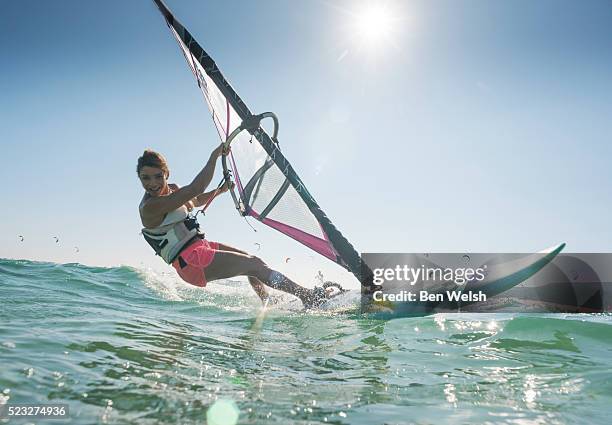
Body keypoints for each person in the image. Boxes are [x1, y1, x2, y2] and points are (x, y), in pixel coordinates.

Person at [137, 144, 330, 307]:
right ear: (139, 177)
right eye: (145, 178)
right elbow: (196, 188)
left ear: (166, 174)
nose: (152, 183)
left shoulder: (173, 191)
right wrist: (214, 156)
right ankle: (308, 297)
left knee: (252, 260)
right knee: (254, 266)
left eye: (157, 176)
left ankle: (267, 301)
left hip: (200, 248)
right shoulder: (150, 207)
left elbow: (194, 200)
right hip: (190, 262)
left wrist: (220, 190)